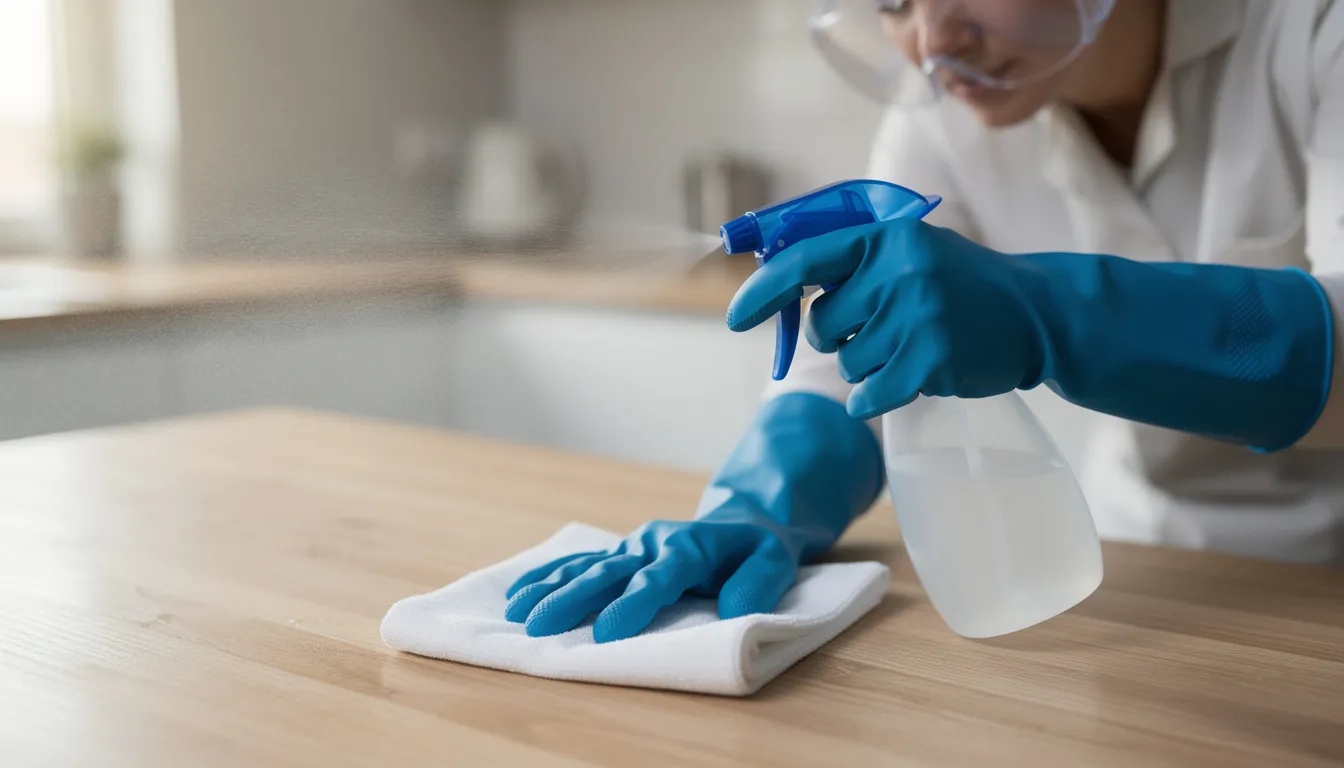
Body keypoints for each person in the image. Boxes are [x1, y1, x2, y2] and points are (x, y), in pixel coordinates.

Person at [504, 0, 1344, 643]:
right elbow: (848, 362)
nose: (934, 41)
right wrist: (758, 501)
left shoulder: (1311, 28)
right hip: (1145, 572)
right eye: (894, 1)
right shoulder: (946, 112)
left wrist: (1048, 311)